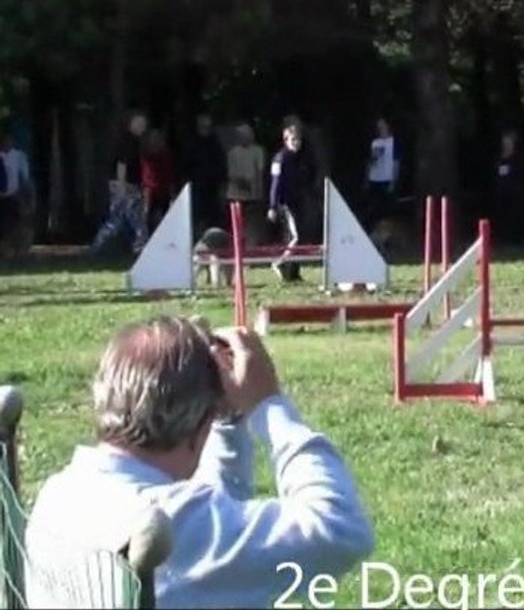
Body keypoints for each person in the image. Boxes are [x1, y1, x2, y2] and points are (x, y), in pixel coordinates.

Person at [25, 316, 375, 608]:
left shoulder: (59, 495)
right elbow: (340, 528)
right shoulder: (166, 521)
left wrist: (224, 420)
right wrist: (269, 407)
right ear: (199, 425)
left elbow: (214, 557)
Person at [90, 112, 149, 255]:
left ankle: (98, 245)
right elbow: (121, 164)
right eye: (139, 124)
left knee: (117, 219)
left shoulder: (133, 141)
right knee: (135, 218)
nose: (142, 127)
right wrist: (122, 186)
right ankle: (141, 247)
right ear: (131, 124)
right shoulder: (128, 142)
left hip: (125, 184)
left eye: (144, 124)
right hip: (125, 185)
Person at [268, 122, 311, 281]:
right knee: (296, 237)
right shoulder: (280, 159)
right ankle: (280, 263)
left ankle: (293, 273)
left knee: (292, 237)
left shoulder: (299, 158)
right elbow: (275, 183)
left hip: (297, 201)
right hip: (285, 204)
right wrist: (272, 206)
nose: (296, 142)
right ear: (285, 140)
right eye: (293, 139)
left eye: (298, 139)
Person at [183, 113, 227, 237]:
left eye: (208, 126)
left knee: (214, 215)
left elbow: (221, 164)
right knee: (197, 216)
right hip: (197, 186)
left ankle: (214, 242)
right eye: (203, 126)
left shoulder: (215, 143)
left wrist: (222, 182)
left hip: (213, 186)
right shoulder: (191, 143)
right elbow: (186, 165)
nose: (206, 129)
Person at [226, 122, 266, 246]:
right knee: (236, 224)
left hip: (253, 194)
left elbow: (260, 172)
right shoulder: (232, 153)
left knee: (252, 223)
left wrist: (258, 190)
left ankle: (251, 246)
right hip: (236, 194)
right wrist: (242, 183)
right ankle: (236, 247)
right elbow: (231, 173)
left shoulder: (258, 151)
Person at [491, 130, 524, 244]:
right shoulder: (499, 159)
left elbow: (522, 174)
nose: (506, 145)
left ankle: (514, 239)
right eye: (505, 143)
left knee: (513, 216)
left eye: (509, 143)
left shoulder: (518, 159)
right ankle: (503, 237)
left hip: (514, 193)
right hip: (500, 193)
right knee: (501, 215)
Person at [0, 129, 34, 259]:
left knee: (14, 223)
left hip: (14, 195)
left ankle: (16, 251)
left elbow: (24, 176)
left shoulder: (19, 156)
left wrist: (25, 196)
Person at [365, 117, 400, 228]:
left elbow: (396, 163)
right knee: (373, 209)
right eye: (379, 126)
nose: (381, 128)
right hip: (374, 179)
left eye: (383, 125)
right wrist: (367, 177)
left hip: (386, 179)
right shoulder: (375, 142)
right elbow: (370, 162)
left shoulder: (393, 142)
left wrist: (393, 182)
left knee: (386, 210)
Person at [141, 128, 177, 235]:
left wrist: (172, 193)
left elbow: (169, 174)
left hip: (160, 189)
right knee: (150, 217)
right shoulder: (147, 155)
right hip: (152, 190)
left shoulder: (165, 155)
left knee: (160, 216)